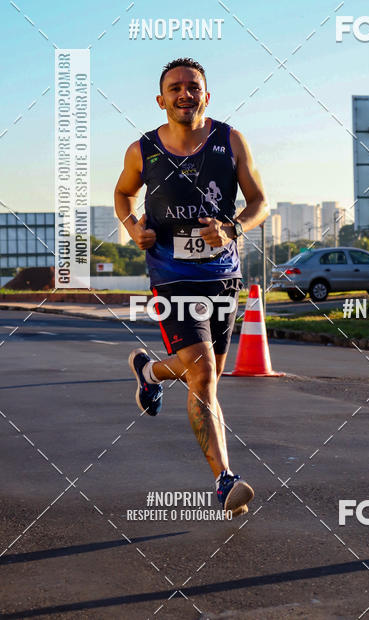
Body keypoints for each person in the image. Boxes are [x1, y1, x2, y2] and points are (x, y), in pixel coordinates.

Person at [114, 58, 269, 517]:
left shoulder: (230, 140)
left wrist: (233, 229)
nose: (185, 94)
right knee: (201, 373)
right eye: (175, 88)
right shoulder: (142, 150)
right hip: (171, 274)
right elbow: (122, 195)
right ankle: (225, 480)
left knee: (206, 376)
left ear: (207, 95)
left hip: (223, 274)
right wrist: (130, 226)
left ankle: (150, 372)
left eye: (193, 87)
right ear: (161, 100)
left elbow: (260, 201)